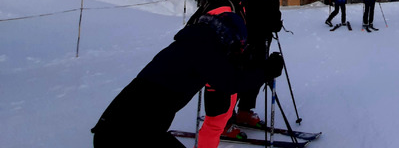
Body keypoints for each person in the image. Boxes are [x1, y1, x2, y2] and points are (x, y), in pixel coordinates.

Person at [91, 9, 285, 148]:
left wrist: (256, 66)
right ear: (229, 38)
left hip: (130, 129)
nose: (235, 52)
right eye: (237, 47)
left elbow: (226, 74)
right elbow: (229, 82)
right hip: (125, 135)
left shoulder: (198, 41)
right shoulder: (203, 48)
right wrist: (267, 71)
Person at [193, 0, 257, 147]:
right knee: (214, 123)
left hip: (229, 70)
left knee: (223, 116)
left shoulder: (231, 2)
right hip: (220, 72)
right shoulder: (222, 7)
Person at [231, 0, 283, 129]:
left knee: (258, 75)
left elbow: (275, 16)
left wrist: (276, 25)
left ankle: (245, 111)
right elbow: (243, 15)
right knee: (241, 76)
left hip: (264, 42)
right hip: (246, 42)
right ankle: (226, 115)